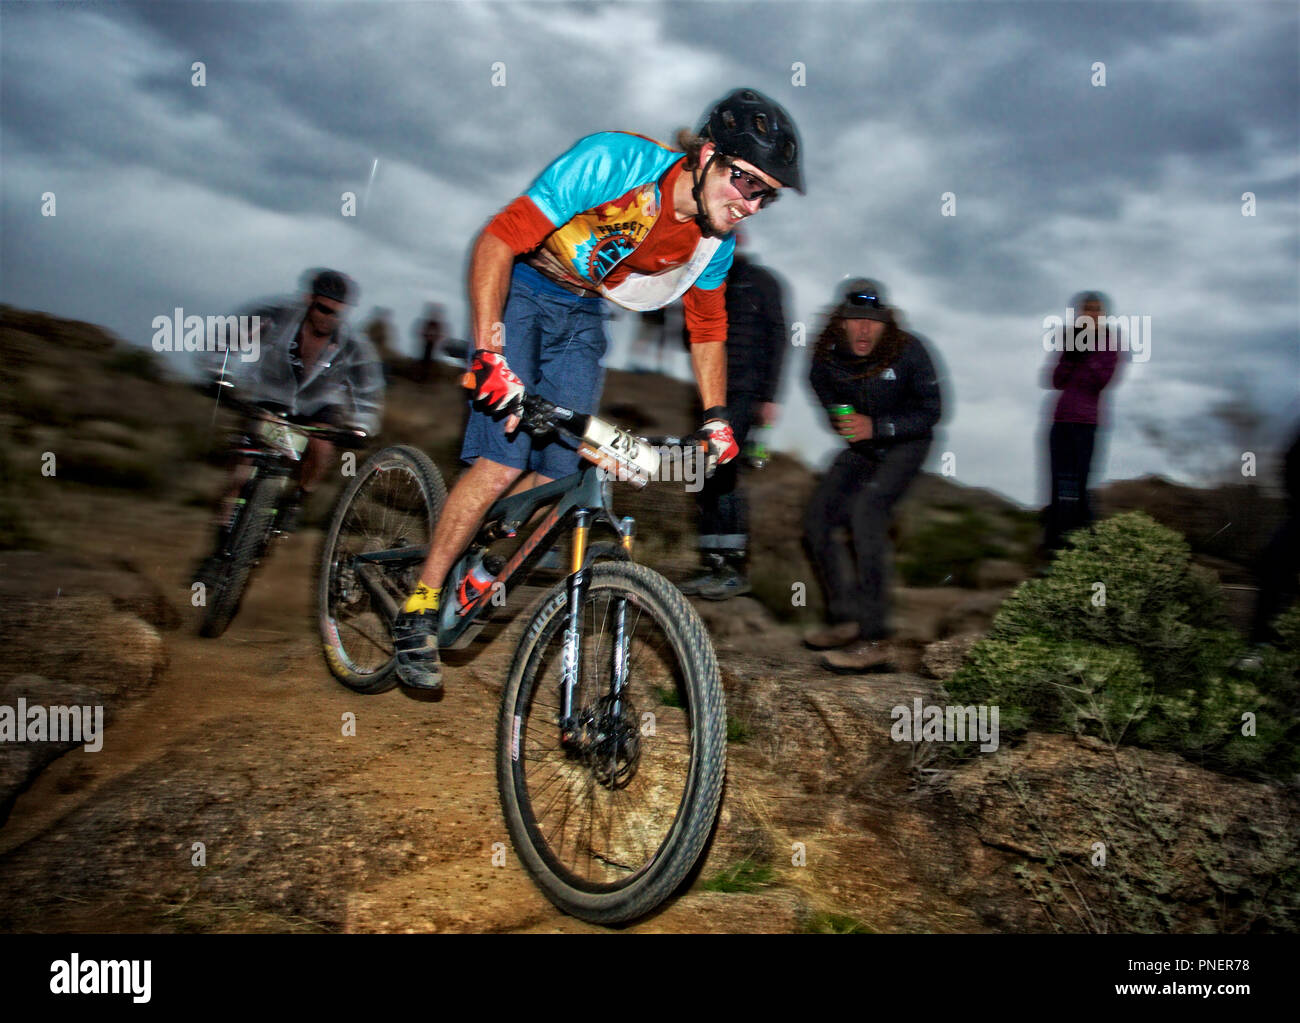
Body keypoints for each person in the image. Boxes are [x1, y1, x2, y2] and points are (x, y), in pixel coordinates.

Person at [393, 87, 806, 691]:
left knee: (561, 473)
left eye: (766, 195)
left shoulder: (713, 244)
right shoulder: (614, 162)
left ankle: (486, 559)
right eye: (746, 183)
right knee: (502, 460)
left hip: (584, 314)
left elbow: (708, 326)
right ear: (708, 154)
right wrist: (488, 353)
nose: (752, 203)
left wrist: (717, 417)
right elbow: (498, 240)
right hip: (527, 293)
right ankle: (421, 602)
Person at [804, 278, 942, 673]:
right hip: (862, 449)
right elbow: (830, 404)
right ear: (840, 323)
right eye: (855, 320)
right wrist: (843, 421)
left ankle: (877, 639)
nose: (864, 329)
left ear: (887, 324)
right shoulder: (825, 359)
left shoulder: (911, 351)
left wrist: (878, 427)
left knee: (866, 513)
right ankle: (847, 619)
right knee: (817, 519)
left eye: (874, 321)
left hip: (906, 443)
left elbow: (931, 412)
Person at [206, 268, 384, 539]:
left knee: (322, 447)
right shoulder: (274, 315)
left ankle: (299, 497)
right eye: (323, 309)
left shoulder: (352, 344)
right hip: (270, 396)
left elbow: (367, 386)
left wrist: (361, 425)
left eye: (336, 313)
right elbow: (230, 335)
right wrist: (218, 371)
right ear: (308, 300)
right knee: (243, 464)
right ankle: (223, 532)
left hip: (316, 405)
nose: (329, 318)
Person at [679, 248, 788, 599]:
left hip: (746, 392)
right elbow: (690, 338)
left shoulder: (762, 281)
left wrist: (769, 396)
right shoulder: (707, 280)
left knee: (724, 468)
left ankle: (734, 567)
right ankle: (711, 561)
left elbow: (778, 339)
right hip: (710, 393)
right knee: (703, 472)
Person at [1041, 291, 1123, 555]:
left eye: (1096, 310)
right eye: (1086, 309)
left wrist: (1086, 350)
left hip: (1086, 422)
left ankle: (1084, 546)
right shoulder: (1073, 340)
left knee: (1078, 484)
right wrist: (1071, 352)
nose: (1091, 314)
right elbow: (1055, 380)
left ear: (1103, 315)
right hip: (1061, 419)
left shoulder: (1109, 343)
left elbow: (1101, 380)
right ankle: (1053, 547)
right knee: (1057, 483)